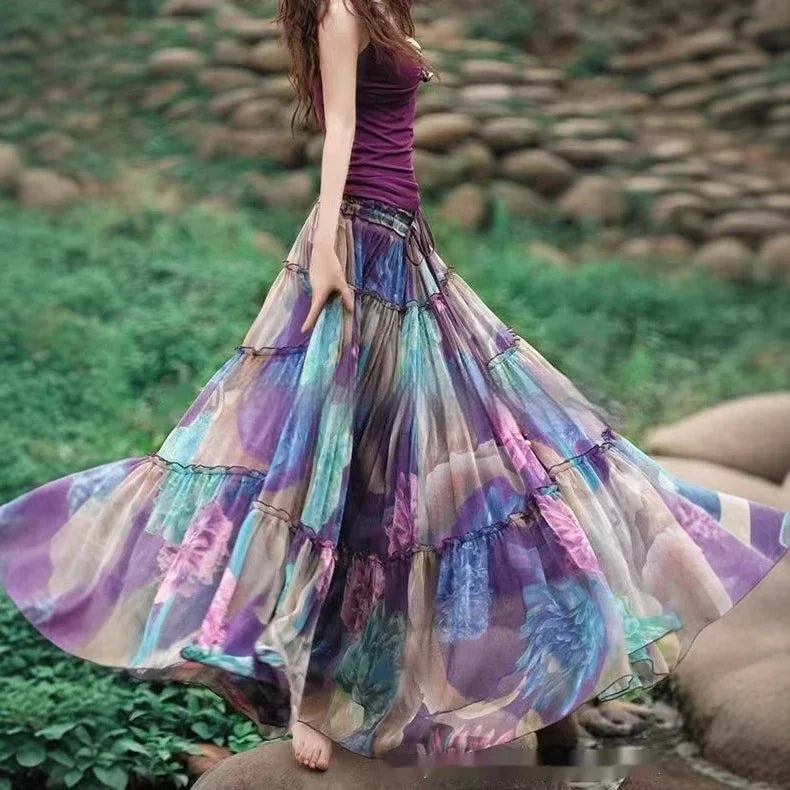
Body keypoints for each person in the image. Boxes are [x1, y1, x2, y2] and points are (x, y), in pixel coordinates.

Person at [1, 0, 788, 776]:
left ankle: (535, 682)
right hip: (360, 246)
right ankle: (310, 699)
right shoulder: (339, 11)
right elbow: (338, 129)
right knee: (335, 465)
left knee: (482, 440)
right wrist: (329, 251)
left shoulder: (375, 8)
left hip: (408, 248)